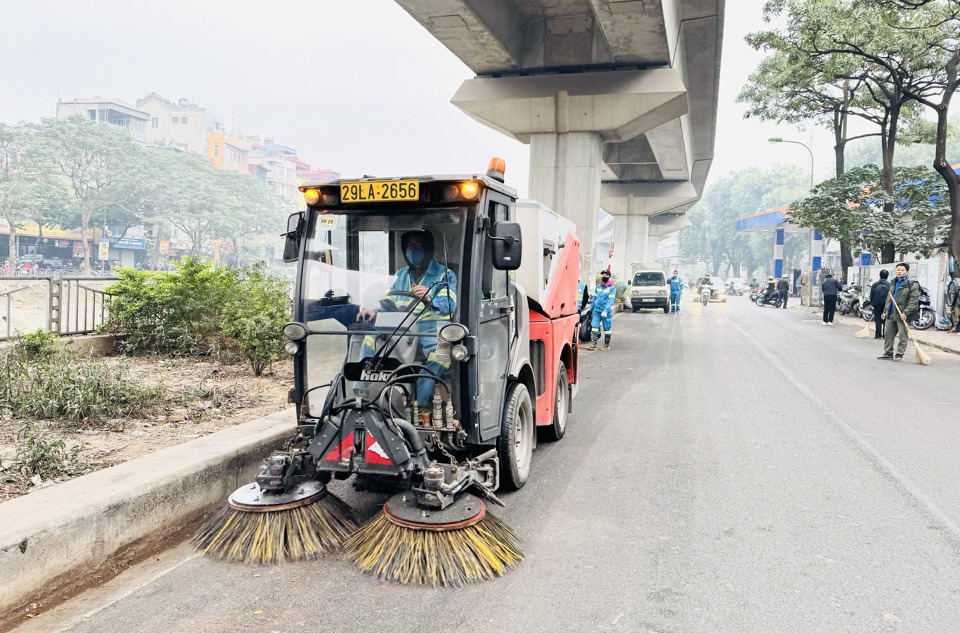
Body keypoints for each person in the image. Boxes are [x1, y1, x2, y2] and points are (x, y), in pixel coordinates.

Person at [358, 230, 457, 407]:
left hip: (434, 328)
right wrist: (375, 309)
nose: (413, 250)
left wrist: (429, 297)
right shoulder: (401, 274)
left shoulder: (445, 274)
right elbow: (389, 300)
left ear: (428, 249)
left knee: (441, 355)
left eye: (418, 246)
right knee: (369, 337)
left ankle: (418, 404)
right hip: (403, 327)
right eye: (409, 246)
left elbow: (449, 305)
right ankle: (359, 396)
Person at [879, 262, 920, 361]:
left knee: (903, 335)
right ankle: (888, 352)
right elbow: (889, 298)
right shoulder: (893, 282)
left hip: (902, 314)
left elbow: (913, 300)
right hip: (891, 313)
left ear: (907, 272)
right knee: (888, 334)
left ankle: (899, 354)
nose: (899, 272)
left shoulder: (912, 284)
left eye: (902, 270)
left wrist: (906, 312)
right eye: (898, 270)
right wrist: (885, 311)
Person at [588, 269, 616, 351]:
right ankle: (593, 345)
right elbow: (594, 299)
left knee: (607, 328)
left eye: (606, 275)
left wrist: (606, 311)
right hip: (597, 310)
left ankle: (606, 345)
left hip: (605, 311)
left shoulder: (612, 288)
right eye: (603, 275)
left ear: (609, 276)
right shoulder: (598, 286)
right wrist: (590, 310)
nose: (604, 276)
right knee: (594, 326)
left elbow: (610, 300)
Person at [869, 269, 891, 339]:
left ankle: (878, 334)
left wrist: (873, 303)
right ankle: (885, 335)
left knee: (878, 319)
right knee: (886, 319)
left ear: (880, 275)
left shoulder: (875, 284)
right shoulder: (890, 285)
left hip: (877, 304)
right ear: (887, 276)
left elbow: (871, 294)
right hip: (886, 304)